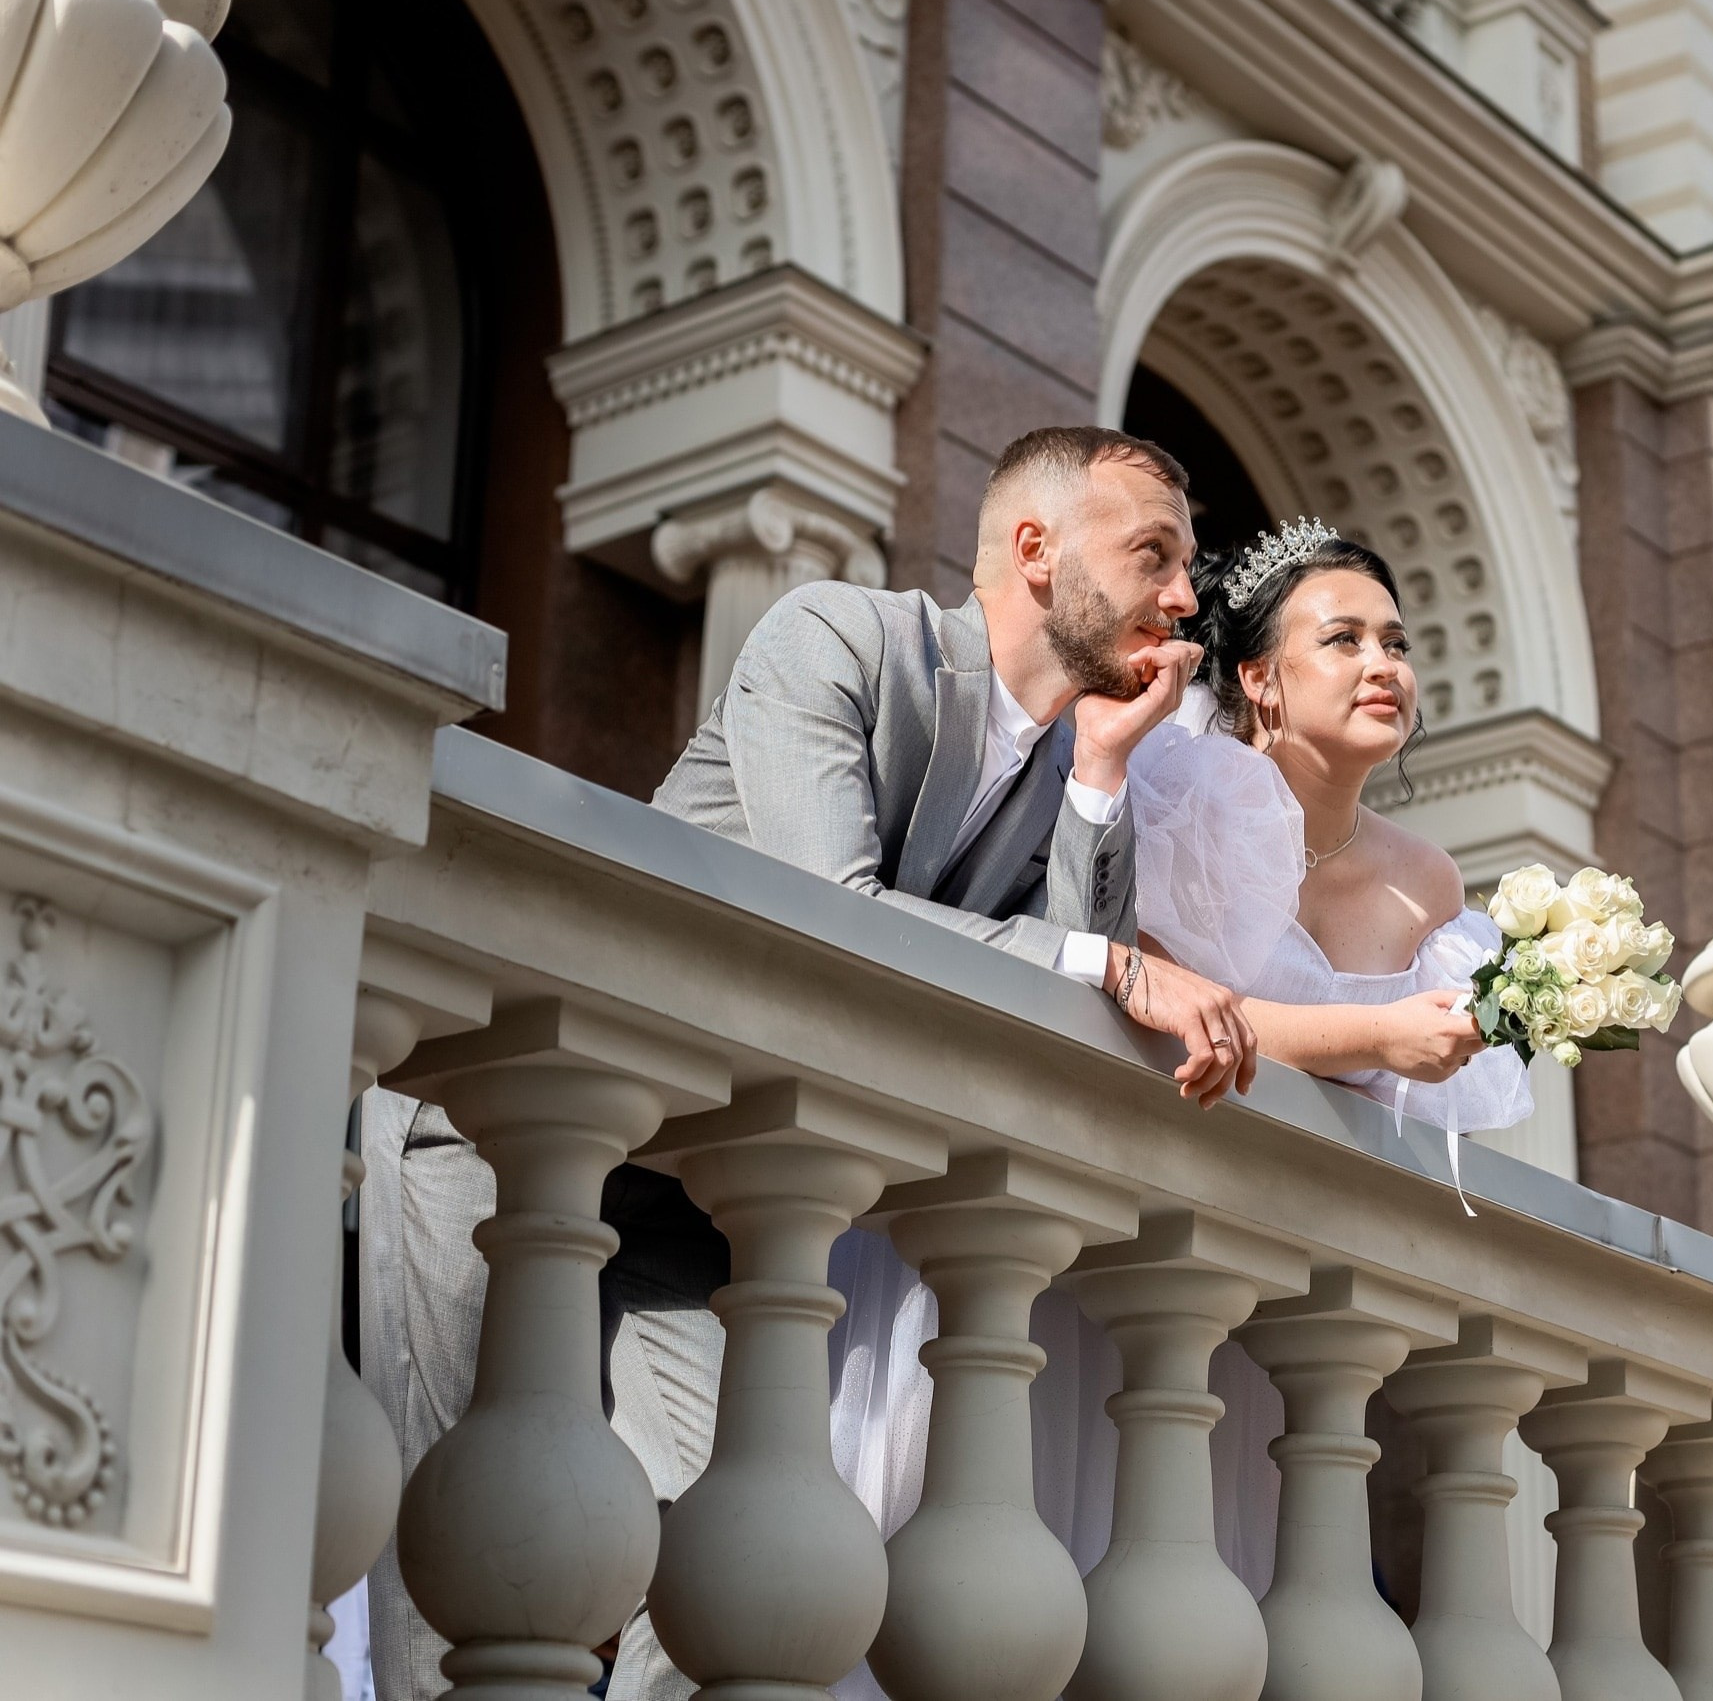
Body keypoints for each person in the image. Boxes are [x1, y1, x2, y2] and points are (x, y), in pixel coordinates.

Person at [363, 427, 1262, 1701]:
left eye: (1190, 564)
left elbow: (1073, 1015)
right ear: (1034, 550)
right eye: (1154, 555)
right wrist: (1109, 966)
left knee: (734, 1567)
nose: (1185, 598)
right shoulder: (837, 637)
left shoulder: (1068, 763)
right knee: (450, 1560)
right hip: (510, 1142)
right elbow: (826, 907)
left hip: (708, 1204)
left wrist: (1105, 779)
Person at [1126, 518, 1534, 1136]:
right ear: (1259, 677)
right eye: (1344, 640)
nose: (1383, 666)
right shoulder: (1181, 810)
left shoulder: (1427, 883)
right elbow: (1153, 998)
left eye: (1395, 645)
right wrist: (1377, 1036)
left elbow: (1436, 1123)